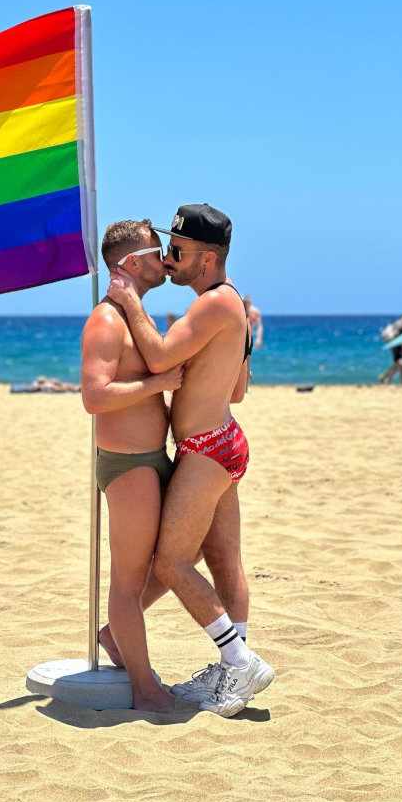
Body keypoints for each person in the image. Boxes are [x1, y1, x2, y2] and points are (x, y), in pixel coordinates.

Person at [107, 204, 274, 717]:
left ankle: (238, 659)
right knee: (223, 560)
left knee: (172, 562)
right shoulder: (232, 307)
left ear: (206, 258)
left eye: (177, 252)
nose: (170, 260)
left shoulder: (211, 305)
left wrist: (129, 300)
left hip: (205, 449)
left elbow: (157, 357)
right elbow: (239, 390)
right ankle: (235, 676)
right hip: (225, 440)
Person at [81, 219, 184, 711]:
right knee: (127, 579)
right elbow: (94, 396)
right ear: (132, 263)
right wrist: (153, 389)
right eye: (156, 248)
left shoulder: (133, 313)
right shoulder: (104, 320)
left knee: (181, 556)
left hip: (155, 457)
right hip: (128, 463)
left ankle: (113, 633)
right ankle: (144, 688)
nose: (165, 255)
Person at [379, 314, 402, 385]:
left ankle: (386, 379)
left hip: (396, 348)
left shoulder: (400, 331)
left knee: (400, 364)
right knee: (401, 364)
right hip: (398, 349)